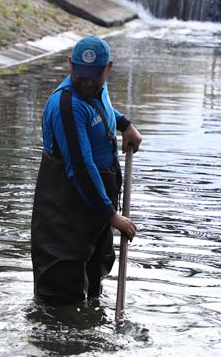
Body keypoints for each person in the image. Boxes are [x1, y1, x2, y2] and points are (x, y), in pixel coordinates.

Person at [31, 36, 142, 304]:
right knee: (60, 297)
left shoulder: (95, 91)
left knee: (92, 285)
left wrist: (124, 124)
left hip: (92, 210)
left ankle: (90, 322)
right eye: (81, 75)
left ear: (108, 68)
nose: (88, 83)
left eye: (94, 76)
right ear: (70, 65)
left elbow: (102, 109)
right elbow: (81, 167)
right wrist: (111, 215)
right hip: (64, 216)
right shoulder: (67, 105)